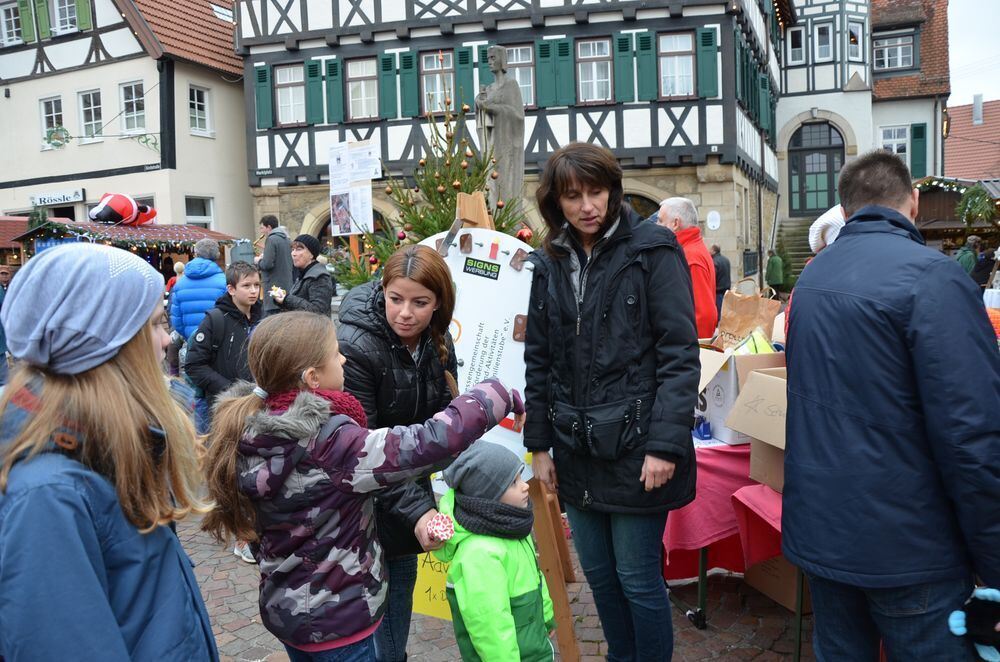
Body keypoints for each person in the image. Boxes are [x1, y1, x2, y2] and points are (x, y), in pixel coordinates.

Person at [201, 311, 523, 661]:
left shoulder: (253, 427)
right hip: (339, 622)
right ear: (312, 377)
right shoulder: (329, 442)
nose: (343, 358)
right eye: (336, 352)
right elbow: (425, 444)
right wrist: (494, 395)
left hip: (290, 614)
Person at [784, 150, 1000, 660]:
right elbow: (974, 435)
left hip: (825, 533)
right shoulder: (934, 278)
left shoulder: (811, 280)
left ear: (846, 208)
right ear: (915, 201)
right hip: (910, 549)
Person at [524, 143, 699, 661]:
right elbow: (539, 358)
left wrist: (665, 445)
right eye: (572, 195)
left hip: (638, 445)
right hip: (575, 447)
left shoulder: (652, 250)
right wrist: (539, 446)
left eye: (595, 191)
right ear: (556, 201)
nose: (587, 206)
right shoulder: (550, 260)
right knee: (599, 577)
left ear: (613, 189)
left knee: (638, 578)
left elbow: (679, 353)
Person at [0, 243, 217, 661]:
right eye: (155, 324)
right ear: (110, 346)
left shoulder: (103, 449)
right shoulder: (48, 496)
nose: (168, 338)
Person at [337, 244, 459, 662]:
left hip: (407, 482)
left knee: (403, 578)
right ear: (383, 290)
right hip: (362, 494)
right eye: (396, 299)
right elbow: (362, 450)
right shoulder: (356, 345)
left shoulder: (437, 340)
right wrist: (419, 508)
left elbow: (445, 424)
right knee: (372, 595)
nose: (405, 312)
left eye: (420, 303)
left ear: (439, 303)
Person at [434, 442, 555, 661]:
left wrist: (546, 617)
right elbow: (489, 623)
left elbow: (536, 579)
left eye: (521, 477)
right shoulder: (479, 554)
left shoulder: (514, 528)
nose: (525, 486)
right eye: (513, 483)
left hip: (532, 646)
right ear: (487, 496)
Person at [184, 261, 262, 436]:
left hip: (257, 403)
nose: (253, 291)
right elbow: (194, 365)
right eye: (246, 286)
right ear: (231, 289)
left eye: (256, 285)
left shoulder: (263, 316)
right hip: (225, 406)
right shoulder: (215, 319)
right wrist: (229, 388)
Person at [655, 197, 717, 338]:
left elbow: (704, 315)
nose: (656, 225)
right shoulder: (688, 250)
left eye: (660, 220)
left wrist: (695, 352)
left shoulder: (690, 256)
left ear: (675, 223)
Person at [169, 238, 227, 340]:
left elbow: (176, 320)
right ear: (217, 256)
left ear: (196, 253)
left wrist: (189, 337)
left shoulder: (180, 284)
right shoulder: (224, 281)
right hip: (218, 340)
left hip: (192, 340)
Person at [272, 234, 335, 317]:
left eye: (298, 249)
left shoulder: (319, 277)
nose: (293, 253)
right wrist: (282, 299)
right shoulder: (304, 273)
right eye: (293, 249)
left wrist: (286, 299)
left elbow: (318, 312)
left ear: (311, 255)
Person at [255, 215, 293, 316]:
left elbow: (267, 264)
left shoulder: (271, 239)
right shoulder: (286, 239)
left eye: (262, 228)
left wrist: (258, 261)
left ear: (269, 227)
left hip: (273, 289)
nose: (261, 231)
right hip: (286, 288)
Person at [710, 244, 731, 319]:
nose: (709, 251)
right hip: (726, 289)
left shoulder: (714, 262)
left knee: (719, 313)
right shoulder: (726, 259)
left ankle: (720, 328)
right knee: (725, 311)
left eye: (710, 249)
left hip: (718, 290)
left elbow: (713, 277)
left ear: (714, 251)